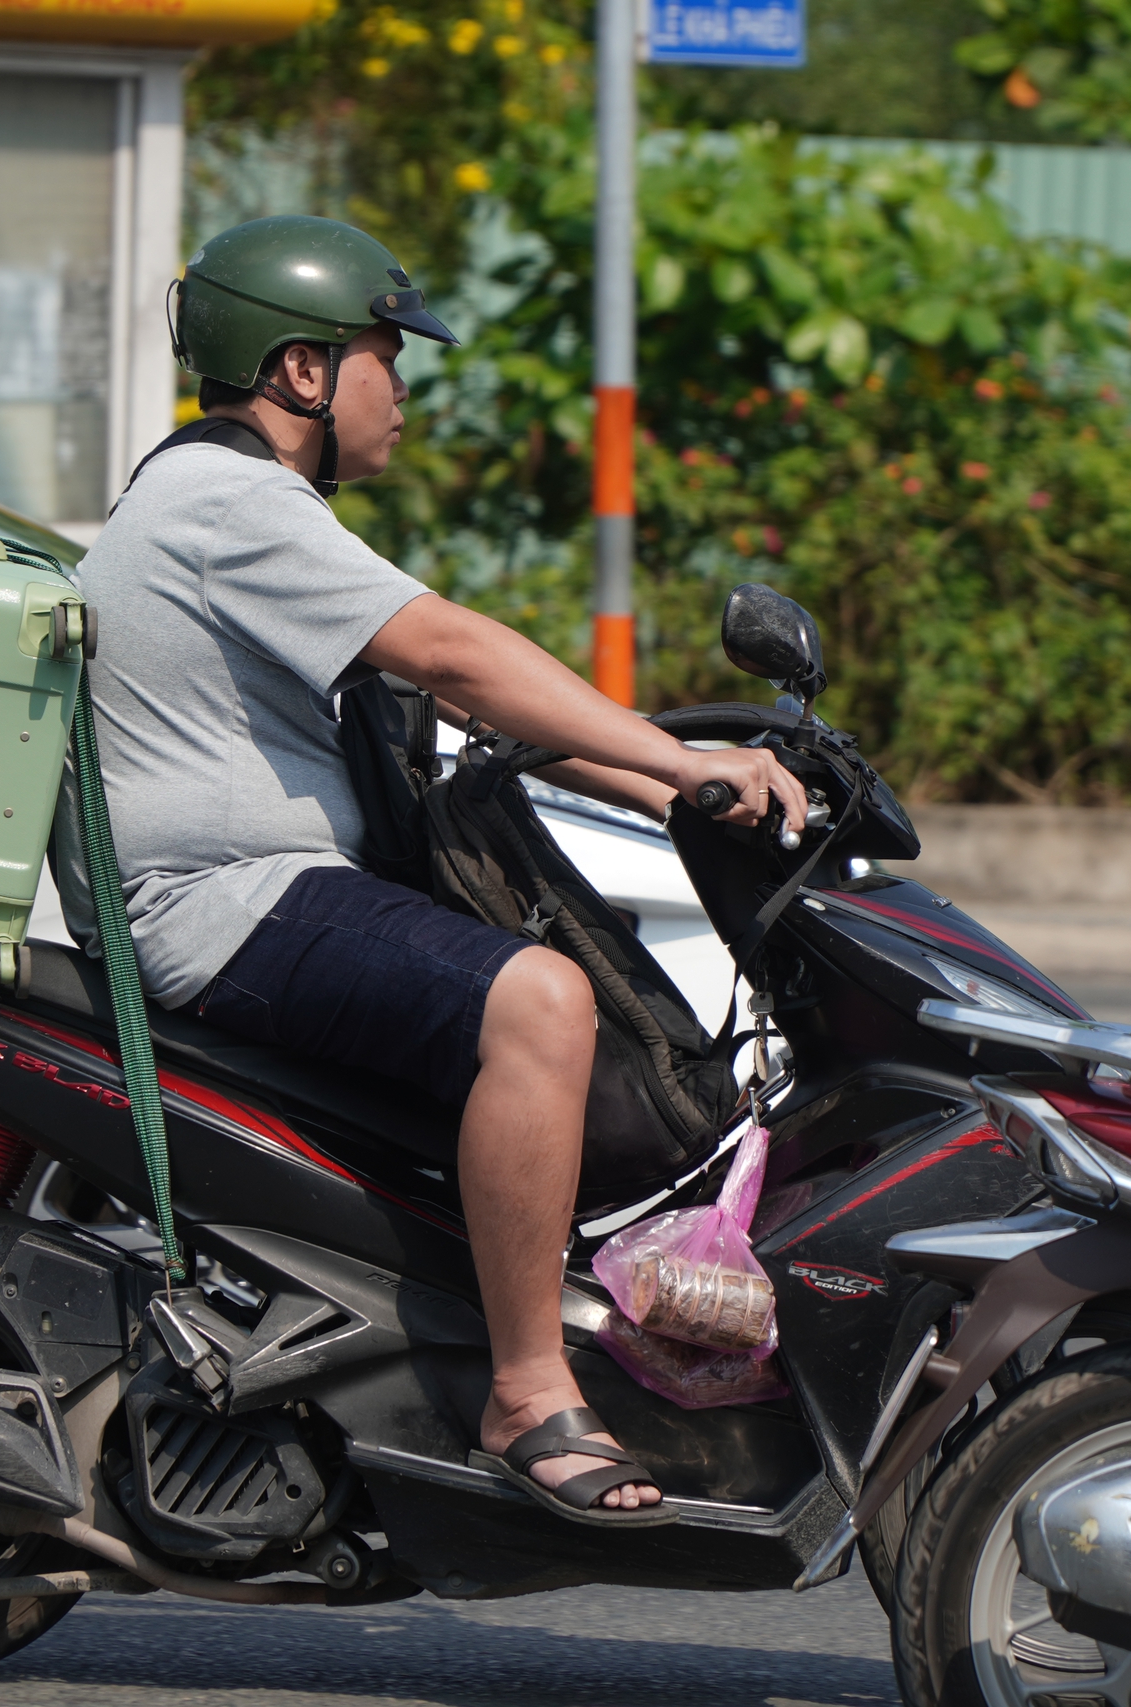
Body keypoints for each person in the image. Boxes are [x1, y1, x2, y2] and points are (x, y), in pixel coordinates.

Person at [56, 216, 805, 1526]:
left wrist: (678, 788)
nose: (402, 392)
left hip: (264, 887)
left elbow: (466, 715)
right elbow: (458, 654)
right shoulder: (229, 504)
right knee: (541, 1001)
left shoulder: (240, 501)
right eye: (383, 359)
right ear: (302, 371)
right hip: (218, 901)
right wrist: (686, 763)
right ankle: (525, 1388)